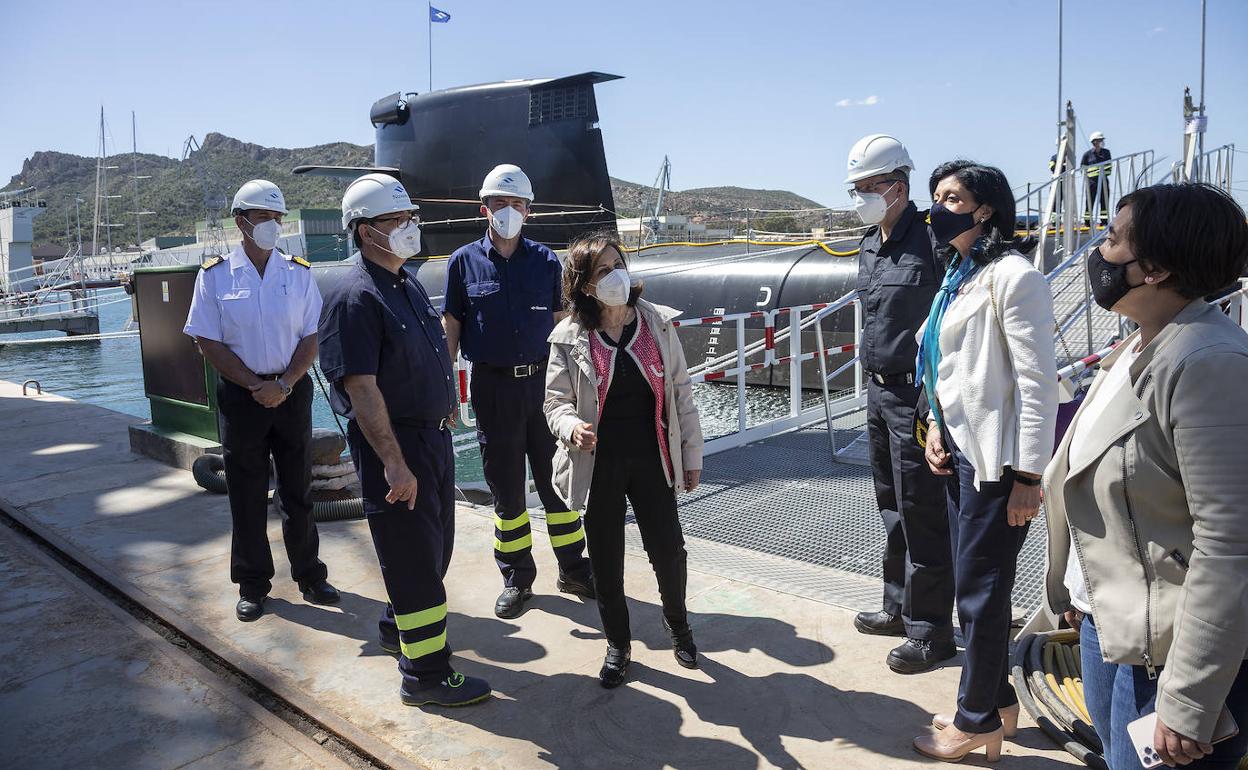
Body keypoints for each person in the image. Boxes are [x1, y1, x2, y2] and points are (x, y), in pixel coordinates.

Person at [1043, 183, 1248, 769]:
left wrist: (1189, 699)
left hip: (1174, 655)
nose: (1098, 253)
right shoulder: (1138, 346)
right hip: (1116, 629)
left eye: (1111, 239)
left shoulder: (1208, 364)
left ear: (1153, 268)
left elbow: (1230, 545)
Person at [319, 173, 490, 707]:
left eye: (410, 218)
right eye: (397, 221)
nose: (410, 228)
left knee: (433, 551)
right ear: (366, 231)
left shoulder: (405, 281)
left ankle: (400, 628)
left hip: (432, 440)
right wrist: (393, 462)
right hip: (398, 447)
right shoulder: (355, 297)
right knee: (414, 560)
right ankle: (426, 675)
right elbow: (361, 386)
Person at [913, 161, 1059, 762]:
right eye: (937, 197)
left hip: (999, 464)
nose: (938, 209)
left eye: (952, 198)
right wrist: (935, 430)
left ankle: (975, 721)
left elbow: (1037, 382)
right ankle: (997, 700)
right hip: (962, 451)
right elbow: (947, 369)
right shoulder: (961, 273)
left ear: (986, 210)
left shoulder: (1013, 277)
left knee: (980, 591)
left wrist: (1029, 475)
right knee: (978, 585)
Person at [544, 232, 703, 689]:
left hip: (652, 458)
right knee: (607, 560)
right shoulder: (570, 337)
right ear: (585, 284)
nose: (616, 274)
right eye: (603, 270)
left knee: (668, 551)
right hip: (598, 465)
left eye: (619, 263)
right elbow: (554, 402)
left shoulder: (655, 324)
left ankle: (679, 627)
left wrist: (691, 455)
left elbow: (681, 394)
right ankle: (618, 644)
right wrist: (571, 425)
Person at [442, 164, 595, 620]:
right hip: (492, 389)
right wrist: (449, 386)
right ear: (483, 208)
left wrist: (575, 388)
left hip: (543, 389)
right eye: (499, 204)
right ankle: (517, 578)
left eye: (517, 205)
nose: (508, 211)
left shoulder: (547, 262)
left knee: (559, 485)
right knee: (507, 492)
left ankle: (573, 568)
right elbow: (452, 325)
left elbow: (561, 325)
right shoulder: (462, 262)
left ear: (529, 211)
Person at [183, 179, 338, 623]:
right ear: (241, 222)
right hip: (242, 395)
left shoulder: (298, 272)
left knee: (298, 491)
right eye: (263, 218)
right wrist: (255, 384)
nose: (272, 225)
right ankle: (253, 585)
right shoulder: (214, 276)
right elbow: (207, 341)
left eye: (277, 218)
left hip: (291, 391)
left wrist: (286, 382)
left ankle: (310, 574)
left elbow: (310, 336)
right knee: (246, 494)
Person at [844, 134, 955, 674]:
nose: (860, 195)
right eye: (855, 187)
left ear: (899, 187)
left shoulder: (932, 243)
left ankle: (932, 630)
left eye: (869, 186)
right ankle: (898, 606)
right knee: (891, 504)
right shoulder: (869, 244)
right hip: (876, 390)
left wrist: (935, 404)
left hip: (916, 394)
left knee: (922, 509)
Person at [1082, 132, 1113, 225]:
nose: (1102, 142)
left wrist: (1102, 172)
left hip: (1103, 180)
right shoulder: (1087, 155)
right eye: (1100, 140)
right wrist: (1093, 173)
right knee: (1090, 201)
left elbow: (1109, 167)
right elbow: (1083, 168)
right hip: (1091, 182)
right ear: (1094, 142)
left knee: (1104, 201)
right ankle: (1087, 222)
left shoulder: (1106, 153)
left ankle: (1104, 221)